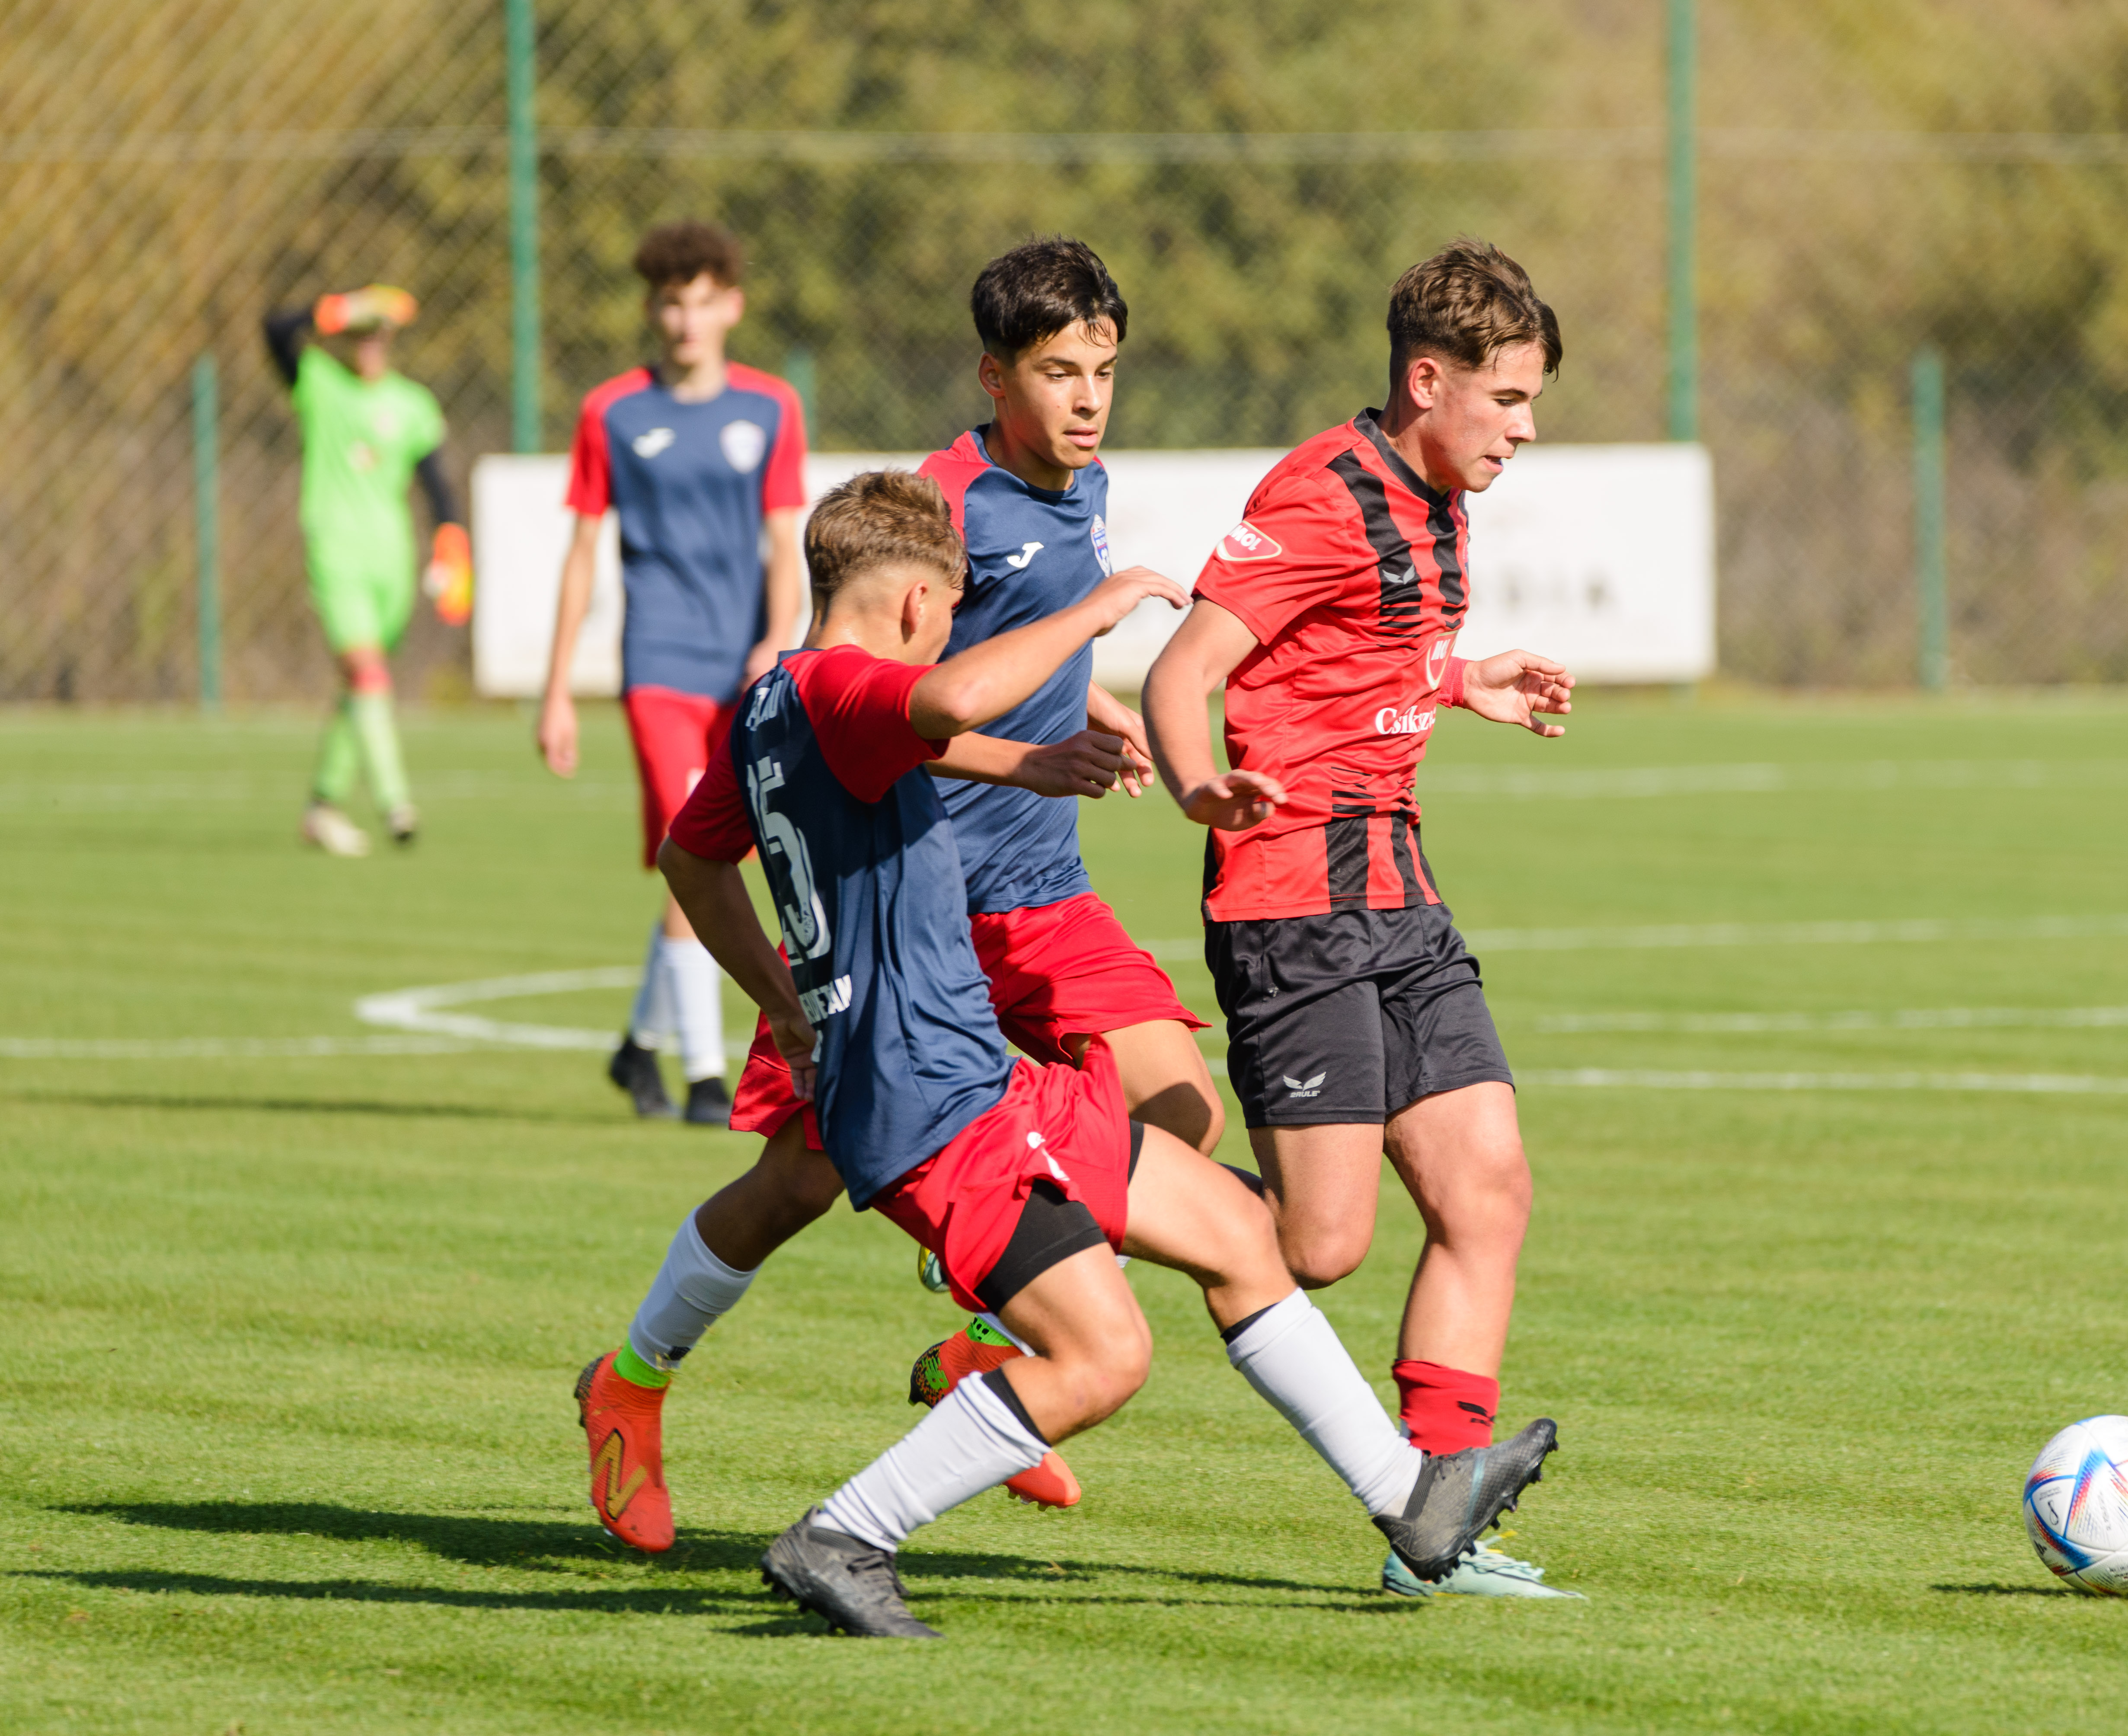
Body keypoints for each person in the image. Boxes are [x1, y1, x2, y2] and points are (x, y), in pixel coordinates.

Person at [572, 471, 1556, 1637]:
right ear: (910, 606)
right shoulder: (851, 681)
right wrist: (1097, 612)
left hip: (975, 1083)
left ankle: (1416, 1505)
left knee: (1241, 1234)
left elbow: (697, 863)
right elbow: (941, 699)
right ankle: (844, 1536)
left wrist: (785, 1000)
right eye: (949, 609)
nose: (948, 631)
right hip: (937, 1107)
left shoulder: (773, 703)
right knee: (1103, 1357)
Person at [1141, 240, 1580, 1598]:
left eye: (1533, 404)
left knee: (1487, 1187)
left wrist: (1465, 682)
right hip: (1291, 903)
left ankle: (1437, 1537)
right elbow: (1185, 668)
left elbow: (1358, 656)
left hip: (1401, 887)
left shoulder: (1441, 495)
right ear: (1427, 379)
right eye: (1506, 400)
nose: (1523, 429)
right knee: (1319, 1245)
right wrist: (1199, 782)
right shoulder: (1321, 494)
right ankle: (1040, 1196)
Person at [901, 238, 1236, 1489]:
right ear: (996, 376)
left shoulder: (1083, 489)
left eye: (1104, 369)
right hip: (929, 911)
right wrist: (1031, 757)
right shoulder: (937, 509)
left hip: (1047, 900)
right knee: (790, 1184)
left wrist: (1100, 713)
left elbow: (1027, 651)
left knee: (1188, 1129)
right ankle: (641, 1371)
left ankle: (988, 1339)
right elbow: (890, 709)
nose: (1090, 399)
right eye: (1059, 372)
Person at [536, 220, 809, 1125]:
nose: (686, 321)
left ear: (729, 306)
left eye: (701, 302)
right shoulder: (611, 411)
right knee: (703, 850)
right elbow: (581, 552)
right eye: (670, 303)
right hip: (655, 663)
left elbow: (783, 539)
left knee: (700, 859)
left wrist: (778, 638)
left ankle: (636, 1045)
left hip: (743, 670)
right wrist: (555, 690)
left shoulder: (770, 407)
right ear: (651, 310)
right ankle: (701, 1078)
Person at [263, 283, 471, 857]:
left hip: (392, 560)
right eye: (359, 334)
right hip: (336, 550)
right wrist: (332, 309)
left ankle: (322, 809)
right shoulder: (322, 388)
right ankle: (396, 804)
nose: (370, 344)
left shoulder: (412, 405)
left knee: (361, 687)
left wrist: (453, 542)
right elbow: (275, 330)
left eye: (378, 333)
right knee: (368, 674)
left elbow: (436, 485)